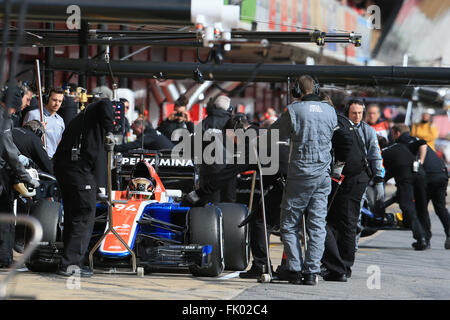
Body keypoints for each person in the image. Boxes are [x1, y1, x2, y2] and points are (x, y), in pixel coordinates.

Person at [270, 75, 338, 285]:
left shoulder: (294, 110)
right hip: (323, 174)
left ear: (298, 90)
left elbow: (273, 133)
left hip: (300, 173)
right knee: (317, 224)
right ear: (316, 88)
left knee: (289, 224)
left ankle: (295, 269)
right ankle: (311, 272)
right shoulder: (330, 110)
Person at [322, 99, 384, 282]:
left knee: (349, 221)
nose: (357, 117)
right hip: (345, 180)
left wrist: (379, 178)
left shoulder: (366, 130)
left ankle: (344, 265)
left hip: (356, 179)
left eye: (359, 113)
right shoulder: (343, 125)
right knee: (336, 221)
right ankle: (337, 264)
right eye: (353, 113)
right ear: (347, 112)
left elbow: (374, 155)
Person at [52, 98, 115, 277]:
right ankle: (71, 265)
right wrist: (110, 131)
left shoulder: (79, 121)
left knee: (73, 217)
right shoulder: (100, 107)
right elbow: (105, 103)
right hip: (79, 171)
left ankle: (68, 262)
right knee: (84, 217)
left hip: (66, 171)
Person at [0, 85, 40, 268]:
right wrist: (26, 176)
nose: (16, 111)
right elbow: (9, 153)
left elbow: (8, 145)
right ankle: (4, 260)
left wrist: (17, 154)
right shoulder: (4, 119)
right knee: (6, 218)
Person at [393, 124, 450, 249]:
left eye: (393, 134)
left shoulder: (405, 141)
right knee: (440, 207)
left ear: (397, 133)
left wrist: (420, 163)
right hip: (441, 173)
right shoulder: (413, 138)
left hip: (428, 176)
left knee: (421, 208)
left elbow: (423, 144)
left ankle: (425, 239)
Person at [378, 136, 429, 250]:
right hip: (419, 175)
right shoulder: (400, 146)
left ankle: (421, 238)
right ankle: (426, 237)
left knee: (407, 207)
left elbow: (380, 173)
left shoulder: (382, 153)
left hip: (405, 179)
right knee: (422, 207)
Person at [197, 95, 233, 203]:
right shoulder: (232, 123)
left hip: (208, 169)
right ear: (229, 108)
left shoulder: (204, 123)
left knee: (209, 203)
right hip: (228, 169)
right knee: (228, 203)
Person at [23, 87, 65, 159]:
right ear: (47, 99)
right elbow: (23, 138)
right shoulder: (33, 114)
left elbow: (58, 143)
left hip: (52, 160)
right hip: (35, 159)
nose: (57, 104)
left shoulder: (60, 121)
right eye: (54, 100)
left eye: (60, 101)